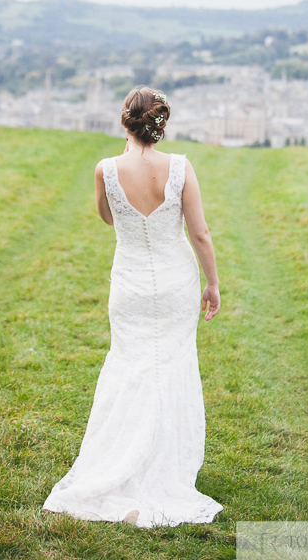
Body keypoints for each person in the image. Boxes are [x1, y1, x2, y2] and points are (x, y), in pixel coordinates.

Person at [43, 86, 223, 528]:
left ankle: (120, 458)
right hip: (177, 282)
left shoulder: (105, 169)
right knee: (173, 364)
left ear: (124, 121)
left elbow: (108, 218)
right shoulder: (181, 168)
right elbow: (200, 234)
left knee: (129, 365)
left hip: (130, 286)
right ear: (159, 125)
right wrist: (213, 283)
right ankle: (164, 464)